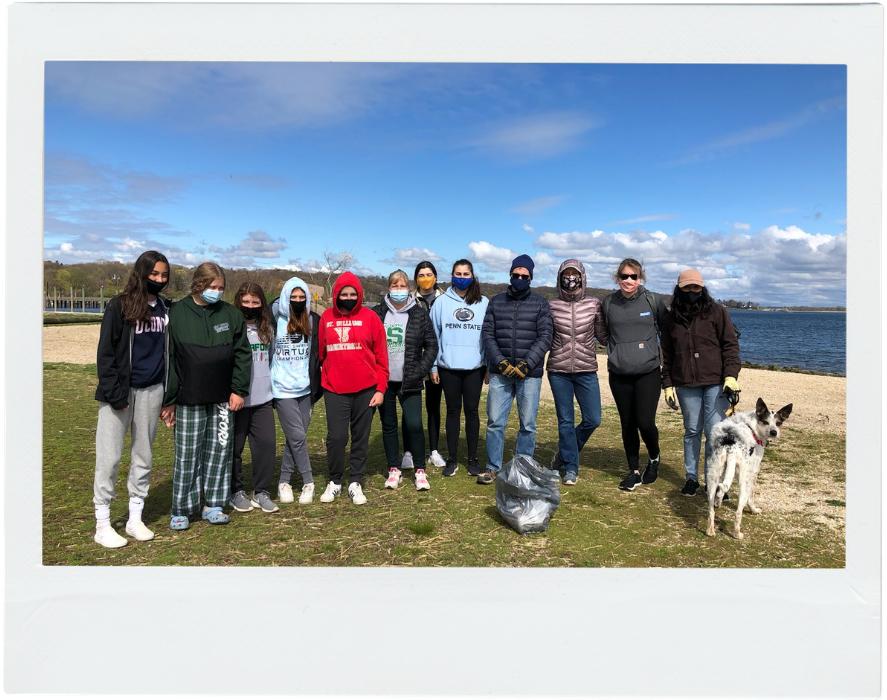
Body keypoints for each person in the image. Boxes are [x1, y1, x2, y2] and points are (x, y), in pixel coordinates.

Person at [162, 262, 251, 530]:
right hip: (189, 398)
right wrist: (170, 399)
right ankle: (182, 508)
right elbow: (171, 359)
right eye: (213, 287)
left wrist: (238, 390)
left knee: (219, 452)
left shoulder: (231, 314)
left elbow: (242, 354)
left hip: (223, 398)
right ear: (199, 284)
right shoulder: (177, 313)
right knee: (188, 454)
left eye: (221, 288)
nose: (217, 292)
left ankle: (213, 504)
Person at [92, 250, 170, 548]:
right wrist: (115, 394)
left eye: (164, 275)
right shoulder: (119, 305)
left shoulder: (165, 308)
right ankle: (102, 523)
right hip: (120, 394)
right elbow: (106, 353)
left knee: (143, 455)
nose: (159, 280)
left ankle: (135, 518)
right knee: (109, 457)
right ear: (142, 273)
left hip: (152, 391)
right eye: (154, 274)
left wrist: (167, 395)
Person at [660, 269, 741, 497]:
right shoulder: (670, 318)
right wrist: (667, 384)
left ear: (702, 287)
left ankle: (713, 480)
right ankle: (691, 478)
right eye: (687, 287)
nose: (692, 291)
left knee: (714, 433)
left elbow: (730, 346)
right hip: (686, 383)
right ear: (679, 289)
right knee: (692, 431)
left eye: (696, 287)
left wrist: (731, 376)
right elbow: (665, 354)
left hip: (716, 382)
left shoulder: (716, 311)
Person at [477, 254, 553, 485]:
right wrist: (500, 362)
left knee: (527, 425)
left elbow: (545, 336)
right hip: (501, 373)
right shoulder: (496, 301)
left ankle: (523, 468)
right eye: (516, 275)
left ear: (530, 277)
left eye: (525, 276)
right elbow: (488, 334)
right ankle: (493, 467)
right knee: (495, 422)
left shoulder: (540, 303)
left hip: (529, 375)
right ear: (510, 275)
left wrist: (526, 364)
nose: (520, 278)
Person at [317, 271, 389, 505]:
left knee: (360, 436)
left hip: (366, 389)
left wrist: (380, 389)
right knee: (336, 437)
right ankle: (335, 480)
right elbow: (321, 353)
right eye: (344, 293)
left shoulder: (370, 318)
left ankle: (355, 481)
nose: (348, 297)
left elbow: (381, 357)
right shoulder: (326, 317)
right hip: (335, 388)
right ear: (336, 294)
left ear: (359, 295)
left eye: (352, 294)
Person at [601, 258, 668, 492]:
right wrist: (616, 349)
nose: (628, 281)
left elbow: (667, 331)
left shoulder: (653, 301)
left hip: (648, 370)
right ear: (617, 278)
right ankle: (634, 471)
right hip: (619, 372)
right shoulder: (608, 302)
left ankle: (654, 459)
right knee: (627, 423)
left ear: (641, 279)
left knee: (645, 422)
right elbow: (602, 331)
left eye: (633, 276)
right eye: (624, 276)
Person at [373, 269, 439, 491]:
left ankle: (420, 470)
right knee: (389, 426)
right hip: (385, 382)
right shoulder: (377, 313)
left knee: (414, 425)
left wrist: (421, 369)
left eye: (402, 286)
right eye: (394, 286)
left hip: (409, 380)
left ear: (408, 289)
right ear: (388, 288)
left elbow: (431, 345)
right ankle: (394, 469)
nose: (398, 290)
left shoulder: (419, 314)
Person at [546, 259, 608, 485]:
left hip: (586, 369)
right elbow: (544, 336)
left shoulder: (594, 304)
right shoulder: (551, 305)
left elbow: (603, 336)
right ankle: (570, 468)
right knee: (565, 420)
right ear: (560, 277)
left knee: (593, 419)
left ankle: (563, 454)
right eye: (566, 275)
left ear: (582, 276)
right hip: (558, 370)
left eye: (575, 275)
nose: (570, 279)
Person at [428, 259, 490, 477]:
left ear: (472, 276)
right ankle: (452, 459)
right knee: (453, 411)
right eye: (458, 273)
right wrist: (433, 366)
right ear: (452, 275)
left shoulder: (483, 303)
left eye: (466, 274)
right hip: (449, 367)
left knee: (472, 412)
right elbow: (432, 337)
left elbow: (488, 337)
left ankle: (472, 459)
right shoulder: (441, 303)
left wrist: (489, 365)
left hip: (475, 367)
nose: (461, 277)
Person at [271, 277, 323, 505]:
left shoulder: (313, 320)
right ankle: (308, 482)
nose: (298, 301)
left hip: (305, 389)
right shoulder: (274, 319)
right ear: (286, 297)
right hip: (282, 389)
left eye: (302, 297)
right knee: (299, 437)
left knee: (295, 438)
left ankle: (283, 481)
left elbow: (319, 353)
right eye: (294, 297)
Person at [229, 282, 279, 514]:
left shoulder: (267, 328)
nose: (250, 306)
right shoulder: (231, 327)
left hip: (263, 400)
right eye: (246, 302)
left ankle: (261, 492)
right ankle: (235, 491)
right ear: (238, 302)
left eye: (255, 302)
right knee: (234, 449)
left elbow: (270, 359)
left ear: (262, 304)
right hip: (237, 402)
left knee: (267, 445)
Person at [411, 260, 447, 470]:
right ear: (416, 278)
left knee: (433, 406)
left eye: (429, 274)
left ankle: (433, 450)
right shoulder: (409, 299)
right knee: (412, 406)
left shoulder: (444, 299)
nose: (425, 278)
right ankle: (410, 450)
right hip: (414, 360)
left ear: (435, 276)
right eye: (421, 275)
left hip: (437, 360)